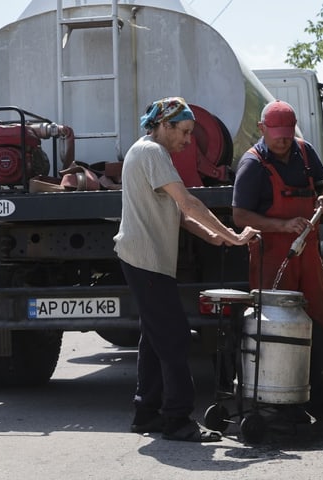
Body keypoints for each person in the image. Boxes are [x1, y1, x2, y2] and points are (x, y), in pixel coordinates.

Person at [113, 97, 259, 442]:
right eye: (185, 131)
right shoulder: (152, 153)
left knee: (154, 337)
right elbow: (189, 203)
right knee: (175, 337)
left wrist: (216, 237)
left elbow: (176, 215)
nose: (189, 140)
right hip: (145, 260)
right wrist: (235, 236)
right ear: (164, 125)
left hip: (146, 259)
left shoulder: (147, 153)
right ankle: (177, 421)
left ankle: (145, 413)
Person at [232, 100, 323, 423]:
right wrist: (282, 226)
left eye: (287, 134)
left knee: (321, 321)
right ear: (263, 130)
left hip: (307, 254)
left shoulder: (305, 153)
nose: (283, 140)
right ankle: (275, 405)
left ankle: (319, 402)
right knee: (275, 330)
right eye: (276, 134)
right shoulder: (252, 165)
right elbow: (239, 216)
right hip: (271, 256)